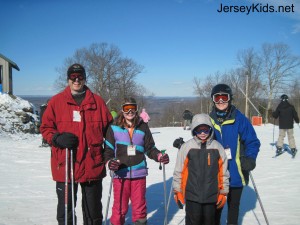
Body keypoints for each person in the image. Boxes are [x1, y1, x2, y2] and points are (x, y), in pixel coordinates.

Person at [40, 63, 113, 225]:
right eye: (73, 77)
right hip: (65, 165)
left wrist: (108, 156)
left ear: (85, 78)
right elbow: (45, 128)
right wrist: (56, 138)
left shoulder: (98, 102)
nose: (76, 80)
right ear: (68, 79)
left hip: (92, 164)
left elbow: (110, 133)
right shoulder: (56, 102)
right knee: (65, 212)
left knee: (93, 213)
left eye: (80, 76)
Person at [104, 97, 169, 225]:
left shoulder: (143, 127)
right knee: (119, 208)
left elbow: (150, 148)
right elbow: (108, 151)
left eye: (132, 108)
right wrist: (110, 162)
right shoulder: (113, 128)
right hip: (120, 174)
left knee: (139, 208)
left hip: (139, 174)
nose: (129, 112)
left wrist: (159, 156)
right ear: (122, 110)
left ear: (136, 110)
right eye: (126, 109)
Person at [209, 84, 260, 225]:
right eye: (217, 97)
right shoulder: (209, 120)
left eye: (224, 97)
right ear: (213, 100)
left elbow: (252, 141)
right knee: (216, 208)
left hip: (236, 172)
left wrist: (250, 158)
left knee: (233, 207)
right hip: (216, 174)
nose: (220, 101)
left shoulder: (240, 119)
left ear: (230, 98)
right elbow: (200, 139)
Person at [173, 113, 230, 225]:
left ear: (210, 129)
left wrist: (223, 193)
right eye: (199, 130)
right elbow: (178, 171)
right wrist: (177, 191)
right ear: (194, 130)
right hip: (192, 196)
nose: (203, 133)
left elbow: (223, 173)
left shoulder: (217, 147)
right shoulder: (187, 147)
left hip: (211, 196)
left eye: (206, 130)